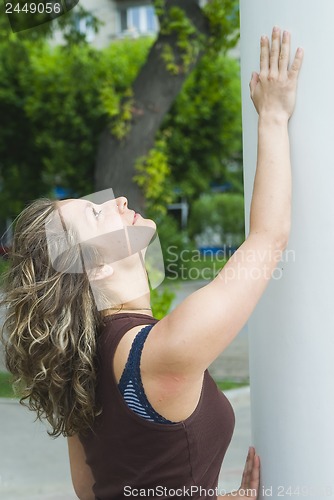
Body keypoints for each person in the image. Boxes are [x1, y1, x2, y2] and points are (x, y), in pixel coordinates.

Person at [0, 27, 303, 500]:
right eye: (97, 212)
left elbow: (95, 490)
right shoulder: (161, 351)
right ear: (95, 266)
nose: (117, 199)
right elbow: (268, 239)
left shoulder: (83, 366)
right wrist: (274, 115)